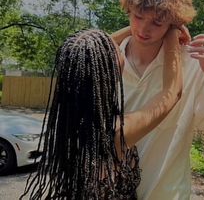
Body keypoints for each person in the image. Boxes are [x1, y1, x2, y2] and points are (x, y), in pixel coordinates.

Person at [113, 0, 204, 200]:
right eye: (138, 16)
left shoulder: (192, 64)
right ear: (129, 9)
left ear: (174, 21)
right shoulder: (108, 60)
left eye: (157, 22)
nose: (143, 29)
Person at [20, 28, 183, 200]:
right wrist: (171, 32)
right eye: (115, 50)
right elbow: (172, 93)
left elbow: (87, 52)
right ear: (106, 70)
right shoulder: (114, 133)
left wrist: (141, 26)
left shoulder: (72, 122)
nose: (119, 47)